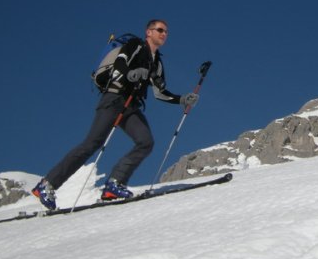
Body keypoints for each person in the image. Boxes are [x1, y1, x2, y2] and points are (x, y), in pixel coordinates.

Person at [32, 19, 199, 210]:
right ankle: (47, 184)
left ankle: (114, 184)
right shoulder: (135, 45)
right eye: (160, 30)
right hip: (114, 98)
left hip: (131, 106)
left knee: (145, 142)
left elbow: (160, 92)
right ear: (148, 32)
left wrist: (182, 100)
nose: (164, 34)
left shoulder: (157, 61)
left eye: (166, 32)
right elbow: (120, 64)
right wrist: (131, 73)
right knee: (92, 143)